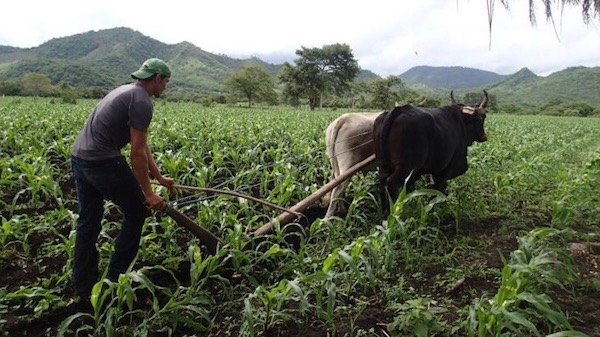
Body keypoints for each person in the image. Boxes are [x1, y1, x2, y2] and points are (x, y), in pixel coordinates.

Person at [70, 58, 175, 298]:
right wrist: (148, 193)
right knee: (138, 211)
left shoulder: (126, 91)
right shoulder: (141, 102)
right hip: (102, 161)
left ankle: (83, 283)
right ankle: (114, 280)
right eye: (166, 82)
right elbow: (136, 153)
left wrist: (158, 177)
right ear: (157, 78)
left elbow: (142, 145)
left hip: (79, 158)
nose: (165, 88)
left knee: (88, 219)